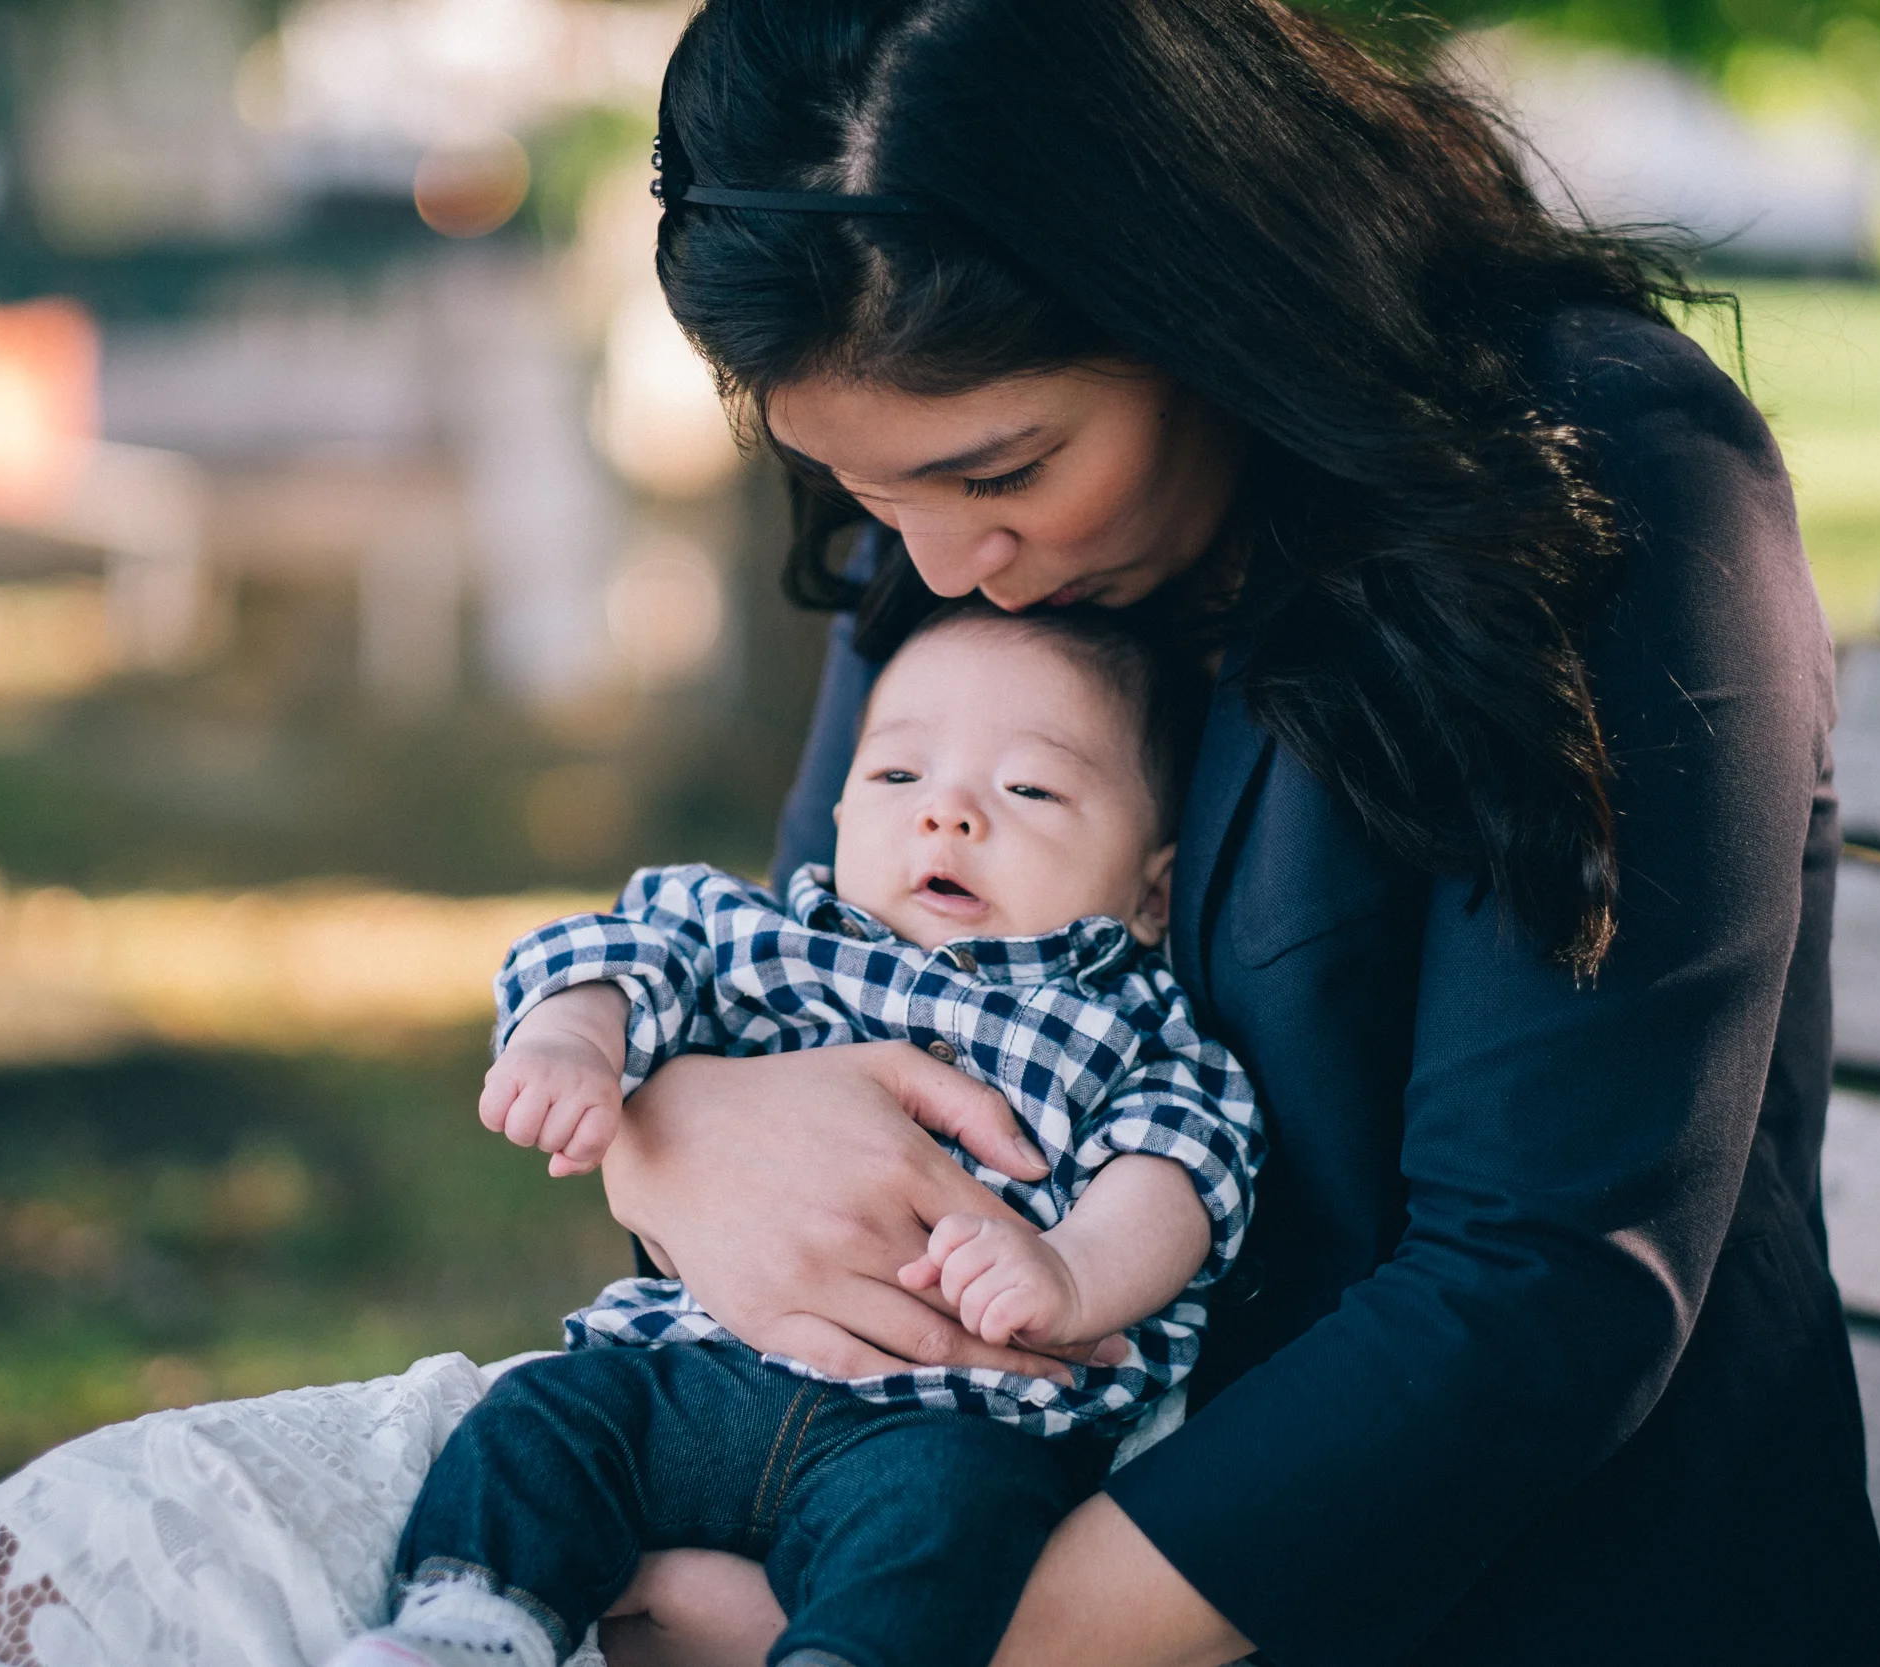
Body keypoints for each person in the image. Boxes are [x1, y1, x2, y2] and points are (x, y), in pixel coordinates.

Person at [579, 2, 1880, 1665]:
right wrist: (668, 1121)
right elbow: (822, 988)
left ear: (1201, 292)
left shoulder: (1594, 479)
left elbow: (1539, 1289)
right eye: (866, 488)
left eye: (1004, 467)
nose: (929, 568)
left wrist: (897, 1636)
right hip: (928, 1526)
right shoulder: (952, 537)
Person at [335, 600, 1260, 1667]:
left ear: (1152, 890)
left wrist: (1068, 1270)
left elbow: (1177, 1172)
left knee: (951, 1524)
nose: (946, 815)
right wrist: (572, 1040)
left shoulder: (1130, 1025)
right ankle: (471, 1623)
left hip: (947, 1424)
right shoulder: (767, 935)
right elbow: (617, 949)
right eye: (898, 776)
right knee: (549, 1413)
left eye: (1029, 789)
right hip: (702, 1374)